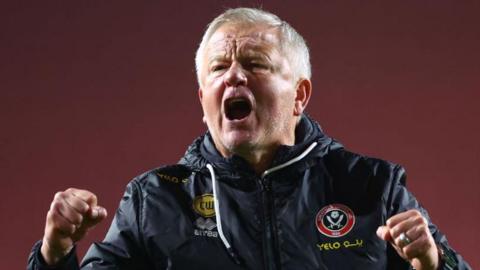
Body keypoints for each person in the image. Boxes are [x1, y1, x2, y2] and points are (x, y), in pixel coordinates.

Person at [27, 7, 471, 270]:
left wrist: (435, 266)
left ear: (299, 95)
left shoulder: (374, 187)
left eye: (255, 63)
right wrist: (55, 253)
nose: (234, 75)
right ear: (203, 99)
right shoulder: (155, 200)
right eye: (219, 69)